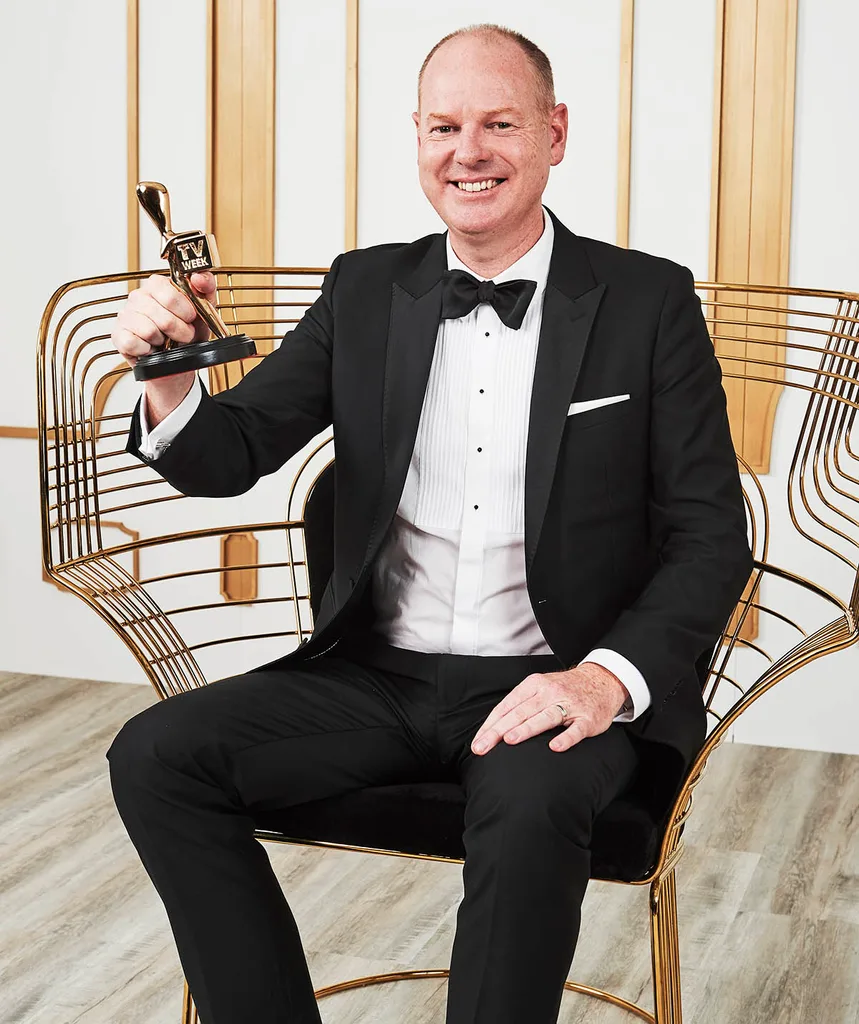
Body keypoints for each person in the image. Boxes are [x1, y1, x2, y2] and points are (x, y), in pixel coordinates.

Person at [106, 23, 752, 1024]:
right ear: (415, 139)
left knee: (532, 806)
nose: (469, 151)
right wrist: (169, 375)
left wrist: (600, 679)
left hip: (552, 682)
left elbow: (710, 533)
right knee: (155, 756)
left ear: (555, 133)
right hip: (377, 677)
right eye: (443, 126)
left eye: (499, 122)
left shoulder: (647, 300)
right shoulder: (366, 288)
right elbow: (225, 454)